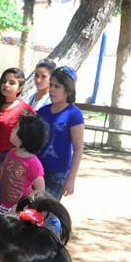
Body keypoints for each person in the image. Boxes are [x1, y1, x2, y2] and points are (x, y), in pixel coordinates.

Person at [0, 67, 33, 224]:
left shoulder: (25, 110)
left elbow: (33, 135)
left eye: (12, 82)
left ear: (20, 88)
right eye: (4, 81)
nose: (6, 85)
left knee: (9, 204)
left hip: (13, 160)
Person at [0, 113, 48, 217]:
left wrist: (23, 206)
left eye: (15, 128)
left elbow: (40, 191)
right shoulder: (11, 153)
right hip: (3, 206)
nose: (12, 129)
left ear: (24, 136)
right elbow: (0, 176)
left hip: (20, 212)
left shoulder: (33, 163)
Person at [38, 66, 84, 202]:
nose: (51, 89)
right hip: (37, 170)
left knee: (46, 211)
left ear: (68, 90)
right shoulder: (42, 111)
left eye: (57, 86)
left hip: (57, 174)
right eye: (51, 85)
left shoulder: (74, 114)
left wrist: (71, 178)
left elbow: (78, 148)